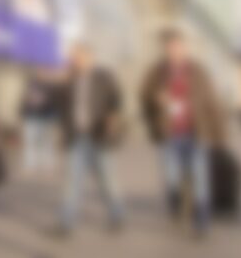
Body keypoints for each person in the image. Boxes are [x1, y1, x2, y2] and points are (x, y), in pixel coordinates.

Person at [139, 29, 226, 235]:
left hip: (196, 132)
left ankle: (201, 221)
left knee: (200, 179)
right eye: (170, 48)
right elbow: (144, 95)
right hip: (170, 134)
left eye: (178, 47)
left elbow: (211, 101)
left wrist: (219, 134)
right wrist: (156, 99)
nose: (174, 51)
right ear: (165, 50)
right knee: (172, 179)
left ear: (185, 49)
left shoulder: (198, 71)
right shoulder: (157, 72)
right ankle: (176, 202)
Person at [55, 41, 125, 237]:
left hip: (98, 135)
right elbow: (59, 105)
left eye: (80, 56)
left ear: (90, 57)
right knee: (71, 182)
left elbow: (116, 99)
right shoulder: (69, 78)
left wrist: (112, 116)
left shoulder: (104, 76)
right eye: (74, 57)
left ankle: (117, 215)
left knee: (107, 180)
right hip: (76, 137)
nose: (77, 60)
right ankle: (66, 222)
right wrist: (60, 81)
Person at [19, 68, 58, 175]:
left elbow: (55, 102)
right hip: (31, 117)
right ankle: (31, 165)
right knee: (31, 143)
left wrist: (53, 117)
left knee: (46, 143)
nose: (41, 73)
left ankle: (48, 165)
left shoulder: (50, 87)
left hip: (46, 118)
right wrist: (23, 112)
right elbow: (24, 101)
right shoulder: (30, 86)